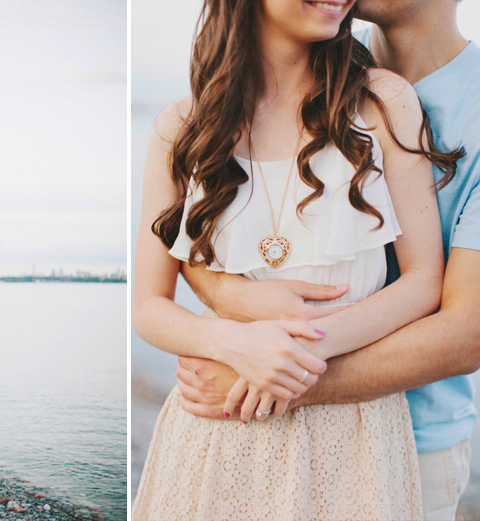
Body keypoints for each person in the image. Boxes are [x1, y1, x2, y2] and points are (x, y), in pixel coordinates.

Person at [132, 0, 463, 519]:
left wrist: (290, 358)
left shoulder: (382, 101)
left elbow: (424, 282)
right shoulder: (181, 127)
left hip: (355, 431)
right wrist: (238, 343)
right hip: (217, 423)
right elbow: (150, 306)